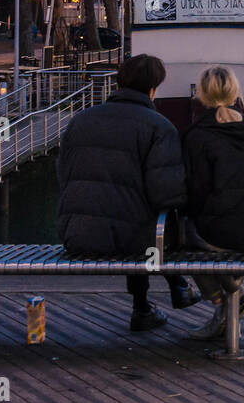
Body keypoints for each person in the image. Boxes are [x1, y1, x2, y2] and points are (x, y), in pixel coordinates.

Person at [55, 53, 201, 332]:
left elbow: (63, 175)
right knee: (151, 223)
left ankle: (152, 301)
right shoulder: (159, 127)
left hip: (76, 233)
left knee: (130, 216)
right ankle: (171, 288)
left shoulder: (80, 121)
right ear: (153, 89)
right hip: (133, 239)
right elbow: (166, 194)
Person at [180, 65, 244, 341]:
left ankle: (221, 300)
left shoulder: (197, 136)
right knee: (216, 234)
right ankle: (230, 305)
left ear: (201, 94)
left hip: (219, 234)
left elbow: (193, 194)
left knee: (182, 236)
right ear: (236, 92)